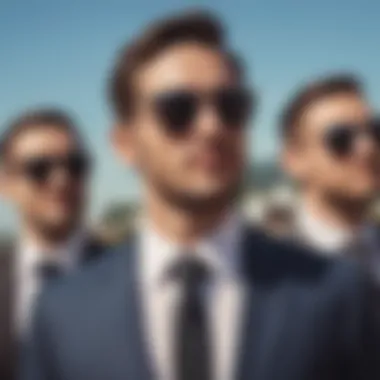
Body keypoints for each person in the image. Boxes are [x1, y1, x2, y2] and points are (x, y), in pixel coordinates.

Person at [23, 11, 380, 380]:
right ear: (126, 143)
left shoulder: (332, 291)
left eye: (230, 107)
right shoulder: (62, 311)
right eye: (178, 110)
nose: (211, 127)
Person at [0, 109, 104, 380]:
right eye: (39, 169)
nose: (61, 180)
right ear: (5, 183)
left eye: (75, 165)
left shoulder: (134, 278)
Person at [280, 75, 380, 276]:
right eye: (341, 138)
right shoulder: (270, 272)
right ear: (293, 159)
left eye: (375, 132)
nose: (368, 148)